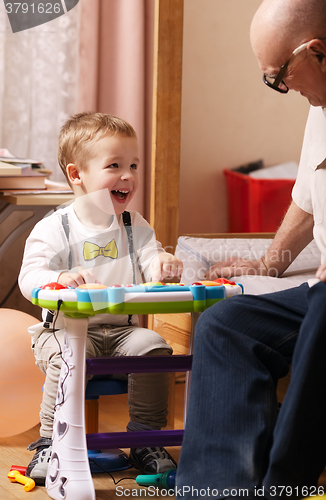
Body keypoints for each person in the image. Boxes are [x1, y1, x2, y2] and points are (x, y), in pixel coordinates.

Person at [176, 0, 326, 498]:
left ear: (317, 51)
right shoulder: (320, 108)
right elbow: (307, 203)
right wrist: (268, 264)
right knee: (225, 325)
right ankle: (216, 491)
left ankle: (284, 487)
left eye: (278, 75)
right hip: (320, 289)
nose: (283, 90)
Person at [18, 112, 183, 484]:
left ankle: (146, 439)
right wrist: (60, 278)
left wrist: (162, 263)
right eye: (115, 165)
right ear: (77, 175)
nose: (128, 175)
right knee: (68, 352)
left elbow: (150, 260)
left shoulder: (135, 225)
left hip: (121, 332)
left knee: (154, 345)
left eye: (133, 165)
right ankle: (49, 440)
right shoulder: (55, 227)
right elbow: (29, 278)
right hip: (63, 332)